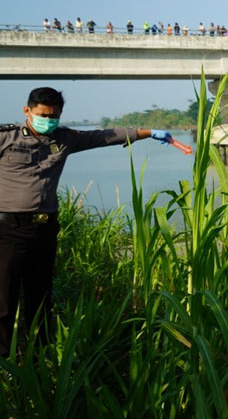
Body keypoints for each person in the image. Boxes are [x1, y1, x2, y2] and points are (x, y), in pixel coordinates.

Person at [0, 87, 172, 356]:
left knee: (41, 294)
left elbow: (103, 137)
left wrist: (147, 132)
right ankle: (5, 359)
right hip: (9, 228)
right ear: (27, 111)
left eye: (54, 116)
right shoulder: (5, 137)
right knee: (4, 298)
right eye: (43, 115)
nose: (49, 120)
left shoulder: (64, 139)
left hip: (45, 228)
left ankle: (40, 354)